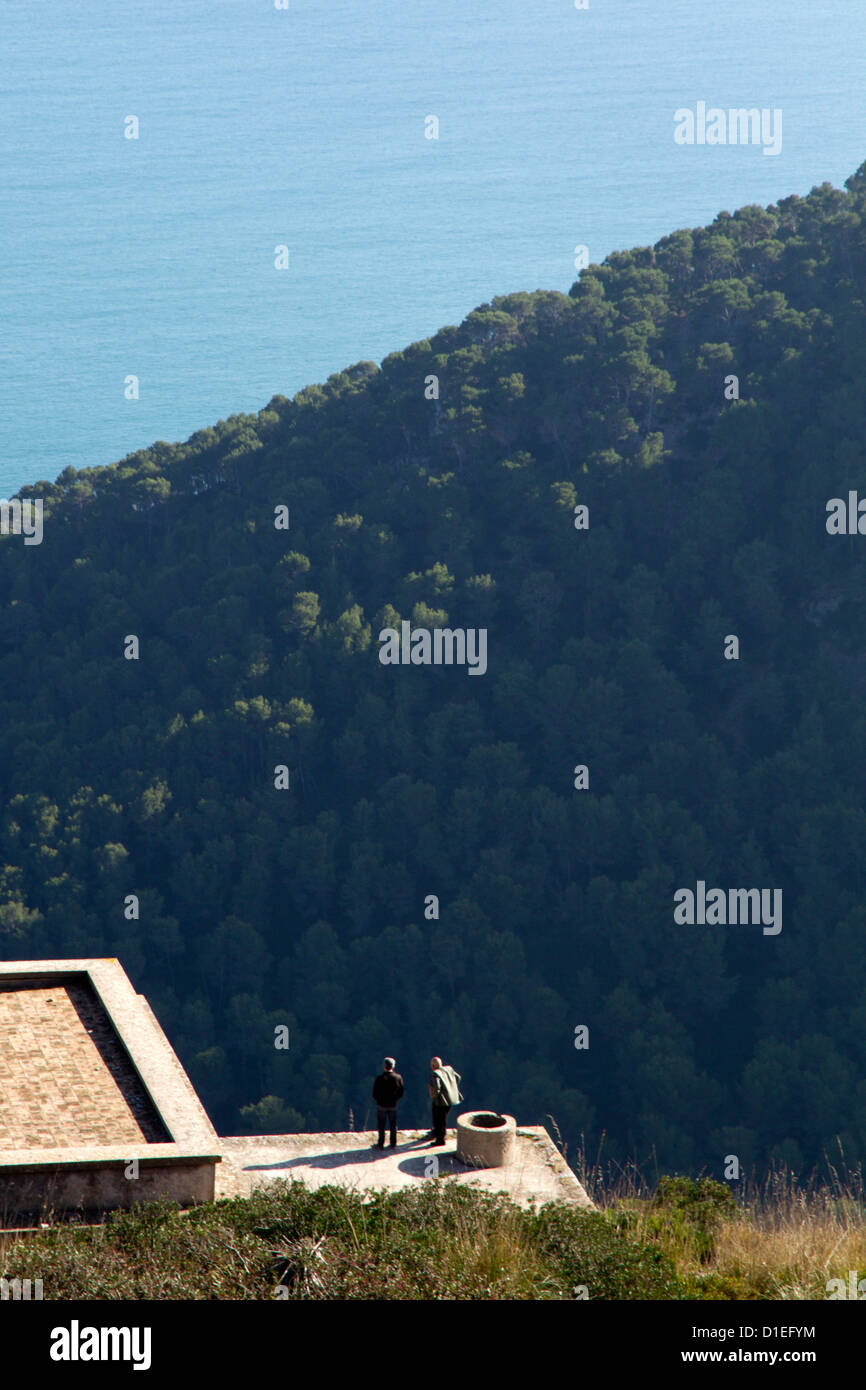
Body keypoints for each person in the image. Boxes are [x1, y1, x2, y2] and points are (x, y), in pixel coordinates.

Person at [427, 1055, 462, 1146]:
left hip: (440, 1101)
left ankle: (440, 1140)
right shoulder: (449, 1069)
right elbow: (458, 1077)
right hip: (450, 1100)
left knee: (438, 1119)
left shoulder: (435, 1074)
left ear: (433, 1066)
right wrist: (452, 1088)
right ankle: (439, 1134)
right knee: (443, 1118)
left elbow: (437, 1088)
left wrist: (435, 1096)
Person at [371, 1057, 404, 1149]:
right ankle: (393, 1143)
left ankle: (380, 1143)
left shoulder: (379, 1079)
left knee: (381, 1125)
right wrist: (395, 1099)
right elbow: (401, 1092)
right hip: (393, 1105)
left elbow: (374, 1093)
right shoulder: (398, 1078)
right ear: (393, 1066)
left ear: (384, 1066)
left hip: (381, 1105)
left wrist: (379, 1100)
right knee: (393, 1125)